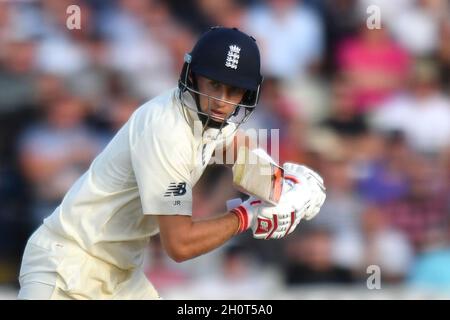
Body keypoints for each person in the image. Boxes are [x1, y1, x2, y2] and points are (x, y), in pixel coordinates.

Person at [17, 27, 326, 300]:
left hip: (119, 276)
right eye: (215, 85)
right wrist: (247, 216)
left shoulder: (211, 119)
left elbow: (251, 162)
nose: (222, 100)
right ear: (192, 77)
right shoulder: (167, 130)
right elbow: (179, 245)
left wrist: (289, 190)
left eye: (234, 90)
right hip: (66, 268)